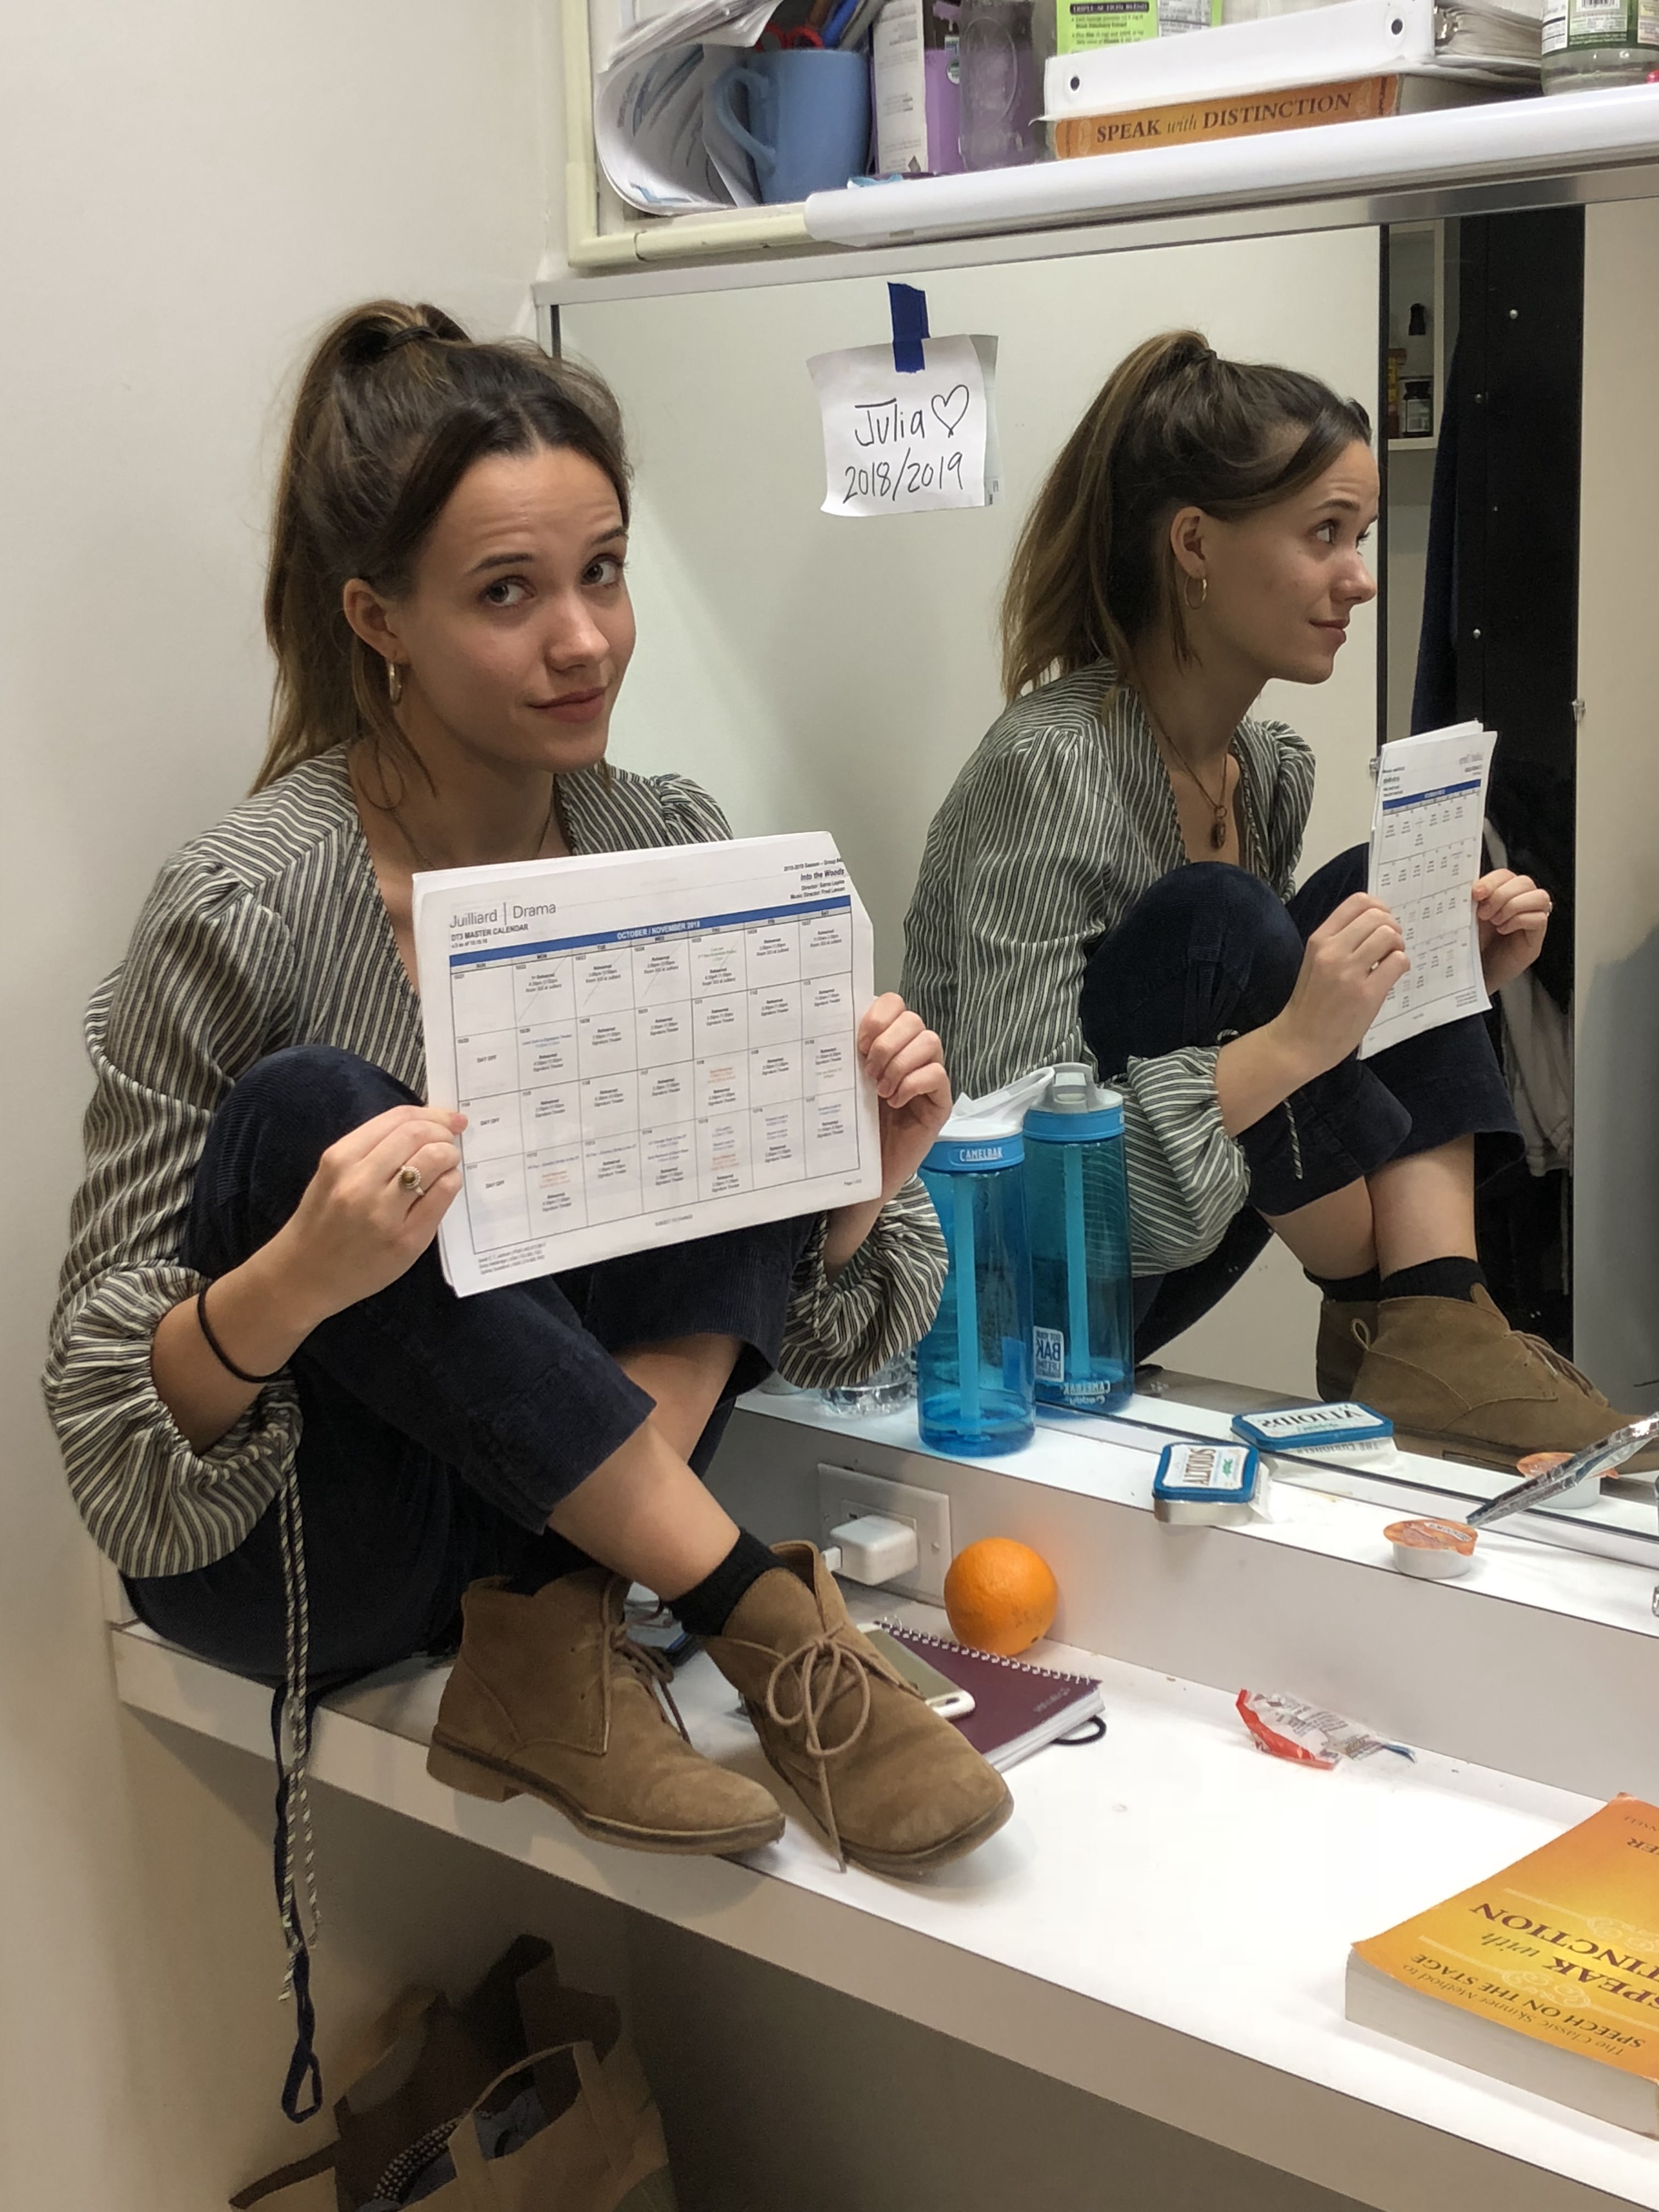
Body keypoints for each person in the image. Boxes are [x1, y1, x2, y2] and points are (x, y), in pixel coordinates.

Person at [46, 301, 1011, 2111]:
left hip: (548, 1540)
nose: (581, 640)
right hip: (320, 1553)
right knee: (315, 1111)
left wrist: (849, 1186)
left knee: (708, 997)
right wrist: (299, 1280)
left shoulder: (659, 839)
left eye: (605, 573)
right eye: (505, 593)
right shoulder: (245, 899)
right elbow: (110, 1430)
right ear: (374, 619)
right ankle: (757, 1618)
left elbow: (857, 1317)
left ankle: (572, 1625)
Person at [903, 328, 1643, 1465]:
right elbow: (1011, 1159)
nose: (1360, 575)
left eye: (1362, 536)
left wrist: (1440, 978)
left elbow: (1291, 1074)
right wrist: (1302, 1038)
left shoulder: (1273, 767)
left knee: (1383, 898)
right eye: (1325, 536)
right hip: (1028, 1316)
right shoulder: (1048, 767)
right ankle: (1415, 1329)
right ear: (1194, 544)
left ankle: (1431, 1318)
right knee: (1227, 918)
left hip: (1187, 1235)